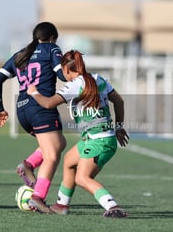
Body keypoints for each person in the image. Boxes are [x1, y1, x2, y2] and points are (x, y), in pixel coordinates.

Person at [27, 50, 129, 217]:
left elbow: (49, 103)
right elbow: (119, 100)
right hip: (94, 139)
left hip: (99, 141)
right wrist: (119, 127)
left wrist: (34, 93)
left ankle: (112, 206)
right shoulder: (98, 78)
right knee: (69, 160)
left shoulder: (75, 84)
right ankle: (61, 205)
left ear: (66, 70)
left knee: (82, 178)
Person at [0, 21, 67, 213]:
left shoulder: (21, 54)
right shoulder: (52, 48)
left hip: (22, 110)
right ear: (52, 38)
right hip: (41, 107)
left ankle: (28, 165)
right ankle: (38, 197)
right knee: (52, 155)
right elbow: (63, 77)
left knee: (59, 144)